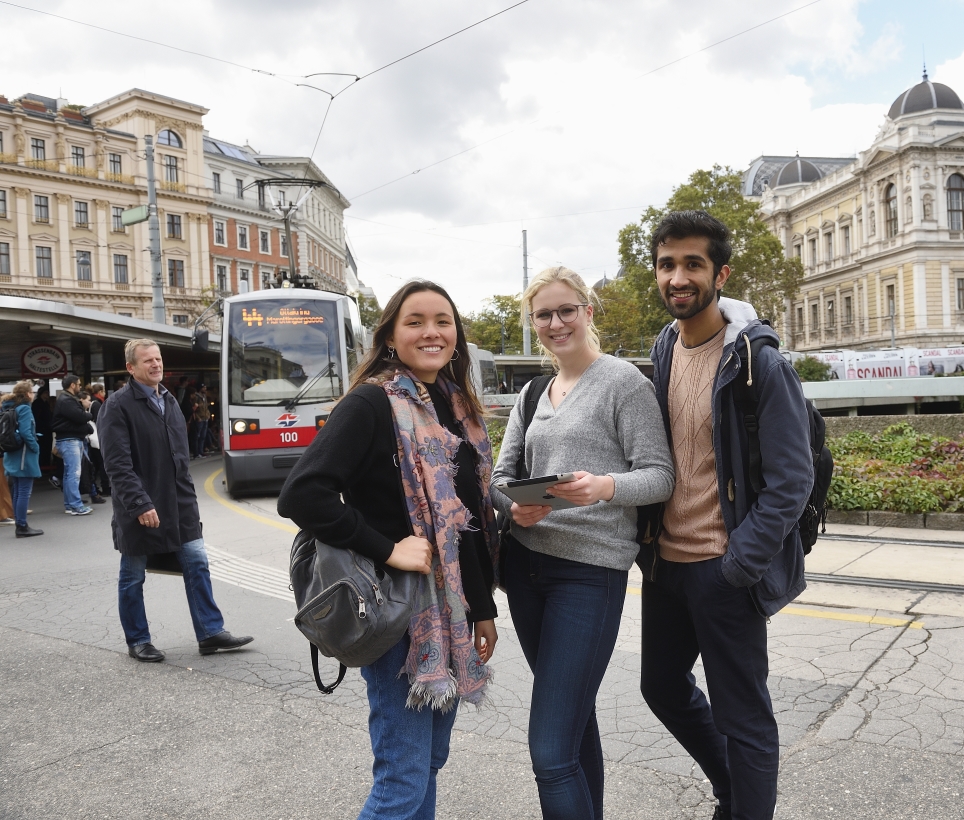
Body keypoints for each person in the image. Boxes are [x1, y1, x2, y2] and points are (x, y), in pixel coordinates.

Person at [279, 280, 499, 820]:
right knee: (401, 780)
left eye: (442, 321)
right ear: (391, 337)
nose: (431, 332)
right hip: (396, 611)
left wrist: (484, 609)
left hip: (449, 614)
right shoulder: (373, 402)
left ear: (457, 335)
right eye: (415, 321)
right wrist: (388, 549)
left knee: (427, 763)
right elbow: (302, 494)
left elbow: (466, 521)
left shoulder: (455, 406)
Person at [640, 211, 812, 820]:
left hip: (723, 569)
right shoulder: (664, 347)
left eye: (693, 264)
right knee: (659, 687)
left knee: (745, 719)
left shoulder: (757, 361)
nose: (678, 277)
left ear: (721, 273)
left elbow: (793, 481)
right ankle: (732, 789)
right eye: (667, 264)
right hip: (667, 567)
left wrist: (739, 564)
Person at [492, 266, 674, 819]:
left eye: (565, 309)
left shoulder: (624, 383)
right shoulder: (531, 393)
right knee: (572, 724)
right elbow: (499, 477)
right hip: (525, 569)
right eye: (543, 314)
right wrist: (512, 504)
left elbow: (660, 475)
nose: (555, 322)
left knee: (549, 751)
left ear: (588, 312)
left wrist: (605, 486)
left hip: (588, 575)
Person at [98, 339, 253, 663]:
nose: (156, 364)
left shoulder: (167, 400)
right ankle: (138, 640)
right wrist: (140, 504)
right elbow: (117, 465)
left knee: (197, 562)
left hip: (178, 505)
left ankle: (210, 632)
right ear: (131, 368)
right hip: (139, 507)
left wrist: (190, 502)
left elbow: (179, 459)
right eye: (147, 361)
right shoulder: (117, 405)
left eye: (158, 359)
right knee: (133, 574)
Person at [3, 381, 43, 537]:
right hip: (24, 454)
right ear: (27, 394)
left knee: (17, 490)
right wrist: (36, 447)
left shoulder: (8, 406)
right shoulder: (25, 408)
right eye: (32, 392)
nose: (33, 394)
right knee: (24, 491)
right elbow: (27, 432)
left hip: (12, 453)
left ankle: (20, 523)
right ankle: (22, 526)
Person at [51, 374, 94, 515]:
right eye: (79, 384)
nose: (80, 387)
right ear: (72, 385)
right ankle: (76, 505)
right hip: (70, 440)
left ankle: (70, 504)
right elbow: (80, 417)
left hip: (69, 439)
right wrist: (89, 415)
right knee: (74, 474)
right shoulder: (67, 400)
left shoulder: (65, 399)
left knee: (70, 473)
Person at [87, 383, 110, 499]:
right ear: (100, 391)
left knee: (95, 464)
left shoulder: (93, 402)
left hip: (92, 438)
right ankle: (105, 487)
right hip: (97, 438)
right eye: (104, 391)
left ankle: (94, 488)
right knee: (101, 463)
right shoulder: (97, 403)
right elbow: (99, 420)